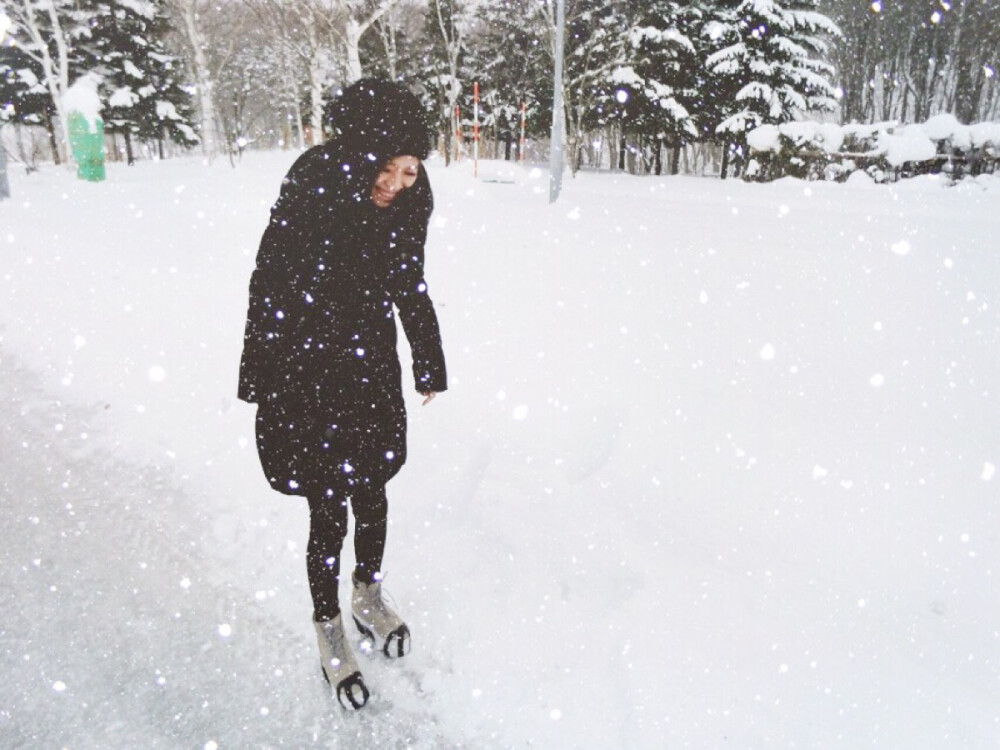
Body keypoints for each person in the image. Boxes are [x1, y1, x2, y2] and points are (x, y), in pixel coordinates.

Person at [237, 78, 447, 710]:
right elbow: (268, 276)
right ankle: (328, 624)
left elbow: (409, 282)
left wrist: (429, 362)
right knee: (328, 506)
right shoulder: (314, 185)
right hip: (308, 366)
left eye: (410, 171)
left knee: (375, 489)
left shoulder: (410, 203)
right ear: (360, 156)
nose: (397, 182)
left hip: (369, 362)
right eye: (386, 167)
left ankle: (368, 594)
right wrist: (260, 370)